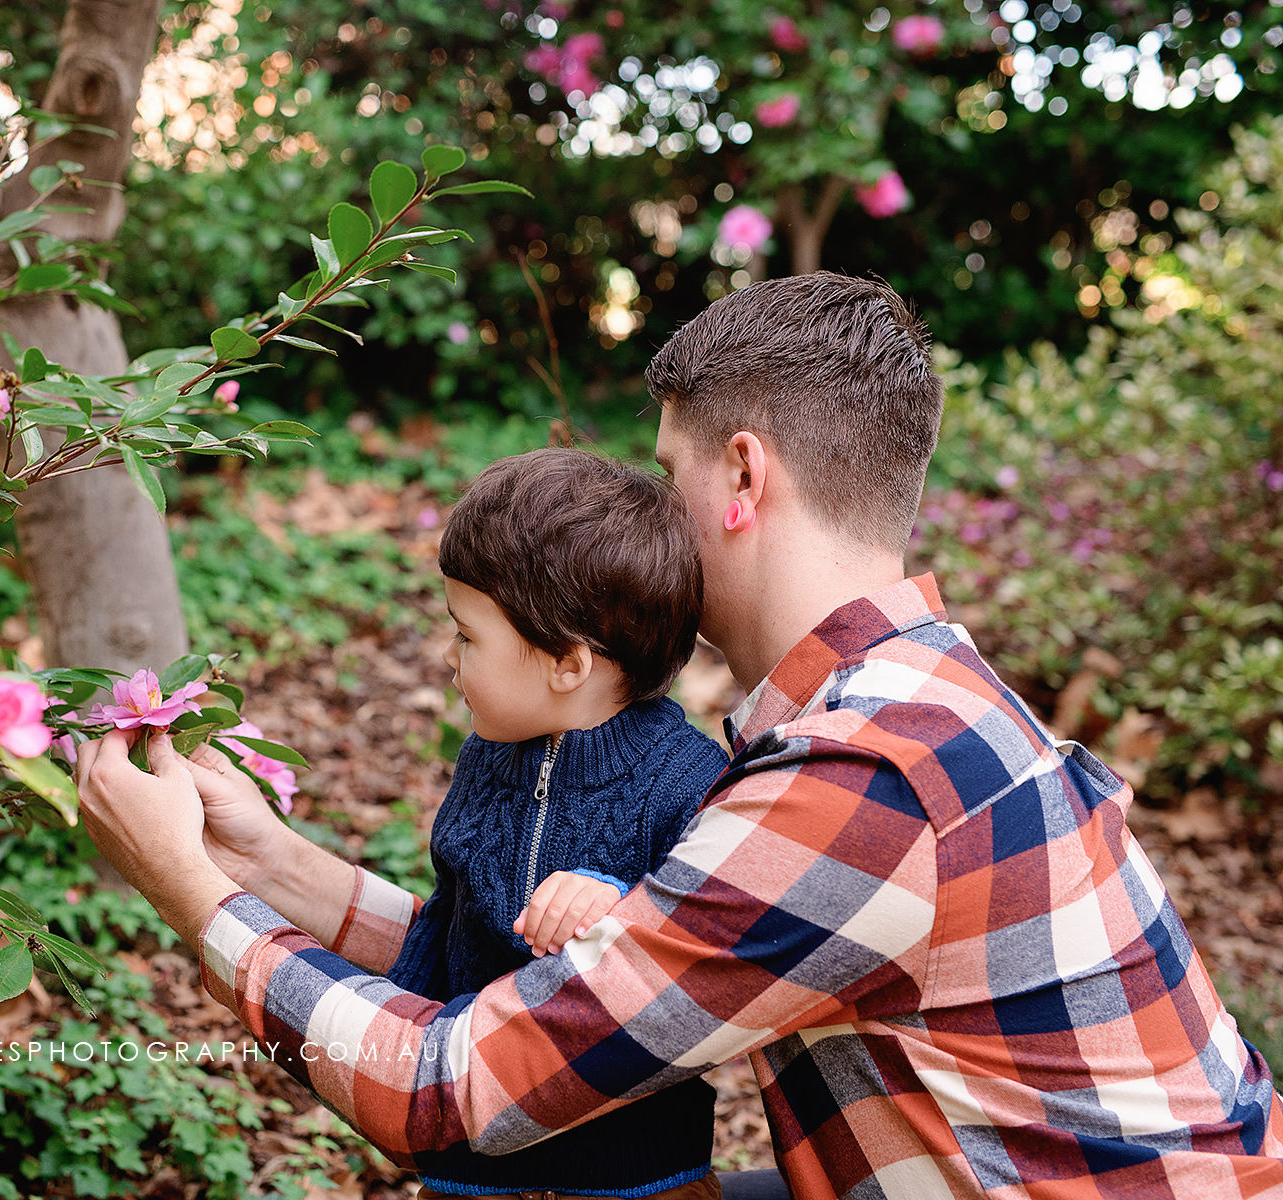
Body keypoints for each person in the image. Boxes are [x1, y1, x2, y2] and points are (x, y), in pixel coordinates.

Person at [75, 272, 1283, 1200]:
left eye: (669, 474)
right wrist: (268, 862)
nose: (652, 519)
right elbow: (553, 990)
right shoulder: (909, 700)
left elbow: (458, 1089)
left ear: (742, 477)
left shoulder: (870, 779)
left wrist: (187, 891)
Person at [189, 447, 730, 1198]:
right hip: (474, 1168)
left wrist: (614, 909)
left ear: (567, 663)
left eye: (467, 635)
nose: (447, 656)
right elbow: (446, 932)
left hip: (637, 1179)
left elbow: (704, 955)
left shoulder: (689, 783)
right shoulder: (488, 760)